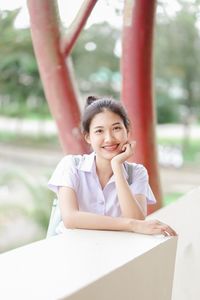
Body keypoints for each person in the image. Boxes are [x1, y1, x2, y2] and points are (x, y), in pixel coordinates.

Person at [48, 96, 177, 236]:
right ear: (88, 137)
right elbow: (70, 218)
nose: (109, 138)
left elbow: (137, 219)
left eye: (116, 128)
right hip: (71, 250)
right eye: (99, 131)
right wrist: (129, 225)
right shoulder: (71, 165)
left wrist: (117, 167)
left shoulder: (137, 173)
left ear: (127, 132)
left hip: (115, 252)